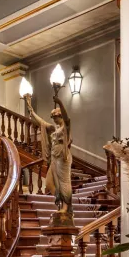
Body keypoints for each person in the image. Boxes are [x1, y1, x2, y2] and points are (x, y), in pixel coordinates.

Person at [25, 94, 73, 223]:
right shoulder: (54, 129)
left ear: (60, 116)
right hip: (54, 157)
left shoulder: (65, 128)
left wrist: (60, 102)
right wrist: (32, 111)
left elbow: (67, 118)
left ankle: (66, 207)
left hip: (63, 158)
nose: (54, 120)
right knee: (50, 183)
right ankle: (60, 200)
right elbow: (42, 122)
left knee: (63, 182)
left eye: (55, 117)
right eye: (52, 117)